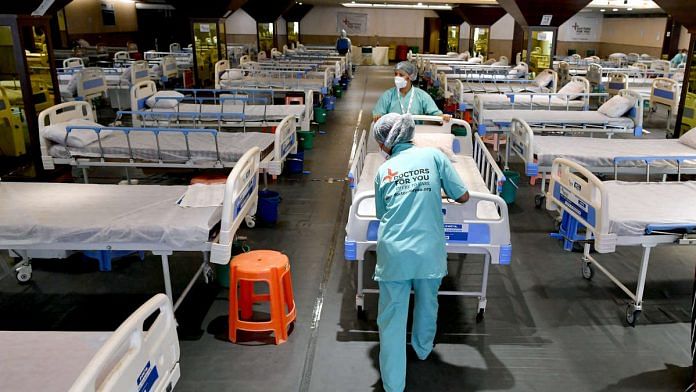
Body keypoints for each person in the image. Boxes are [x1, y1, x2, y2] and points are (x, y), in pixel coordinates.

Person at [372, 113, 469, 392]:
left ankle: (393, 384)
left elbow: (381, 213)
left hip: (395, 253)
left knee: (391, 317)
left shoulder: (383, 171)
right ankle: (423, 349)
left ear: (387, 142)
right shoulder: (434, 157)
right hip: (428, 249)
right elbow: (462, 195)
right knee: (428, 302)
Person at [372, 61, 450, 123]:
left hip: (417, 134)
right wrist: (377, 116)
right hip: (392, 134)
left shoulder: (421, 96)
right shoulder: (388, 95)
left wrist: (443, 117)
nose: (397, 77)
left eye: (401, 75)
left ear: (410, 77)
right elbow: (378, 114)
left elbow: (436, 114)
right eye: (396, 74)